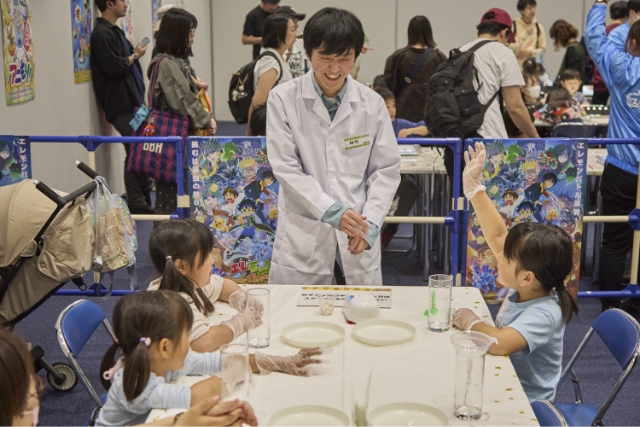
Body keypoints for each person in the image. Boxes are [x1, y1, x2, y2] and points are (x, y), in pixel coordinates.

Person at [266, 7, 401, 285]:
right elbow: (286, 167)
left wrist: (371, 222)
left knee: (359, 311)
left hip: (358, 232)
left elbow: (385, 170)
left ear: (357, 54)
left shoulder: (372, 104)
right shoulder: (283, 99)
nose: (334, 69)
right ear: (308, 53)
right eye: (325, 58)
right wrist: (332, 211)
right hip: (306, 236)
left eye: (344, 59)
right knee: (298, 312)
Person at [454, 142, 579, 402]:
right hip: (503, 380)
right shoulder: (527, 287)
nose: (498, 258)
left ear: (526, 277)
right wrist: (475, 189)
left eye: (505, 259)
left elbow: (499, 343)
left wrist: (471, 322)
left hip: (525, 403)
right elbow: (498, 236)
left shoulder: (545, 313)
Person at [146, 220, 327, 374]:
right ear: (181, 266)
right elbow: (202, 343)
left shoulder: (185, 282)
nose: (212, 260)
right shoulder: (172, 303)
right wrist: (240, 322)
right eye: (206, 256)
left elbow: (223, 285)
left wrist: (241, 299)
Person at [96, 291, 259, 426]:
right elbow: (195, 397)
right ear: (165, 348)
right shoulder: (136, 384)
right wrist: (234, 373)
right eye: (186, 335)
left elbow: (208, 361)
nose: (190, 342)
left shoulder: (161, 359)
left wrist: (258, 361)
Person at [586, 0, 640, 319]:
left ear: (631, 43)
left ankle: (610, 309)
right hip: (626, 168)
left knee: (615, 241)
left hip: (622, 169)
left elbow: (595, 39)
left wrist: (599, 5)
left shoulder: (621, 67)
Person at [443, 8, 540, 184]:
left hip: (457, 142)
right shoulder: (503, 53)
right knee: (490, 200)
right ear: (504, 33)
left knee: (460, 199)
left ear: (478, 32)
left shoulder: (460, 52)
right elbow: (515, 108)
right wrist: (537, 138)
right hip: (488, 143)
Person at [147, 8, 217, 215]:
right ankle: (170, 236)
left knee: (177, 195)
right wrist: (207, 120)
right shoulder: (168, 65)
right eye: (189, 32)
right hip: (172, 139)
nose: (192, 37)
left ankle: (174, 234)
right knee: (173, 198)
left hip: (174, 137)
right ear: (177, 34)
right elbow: (184, 101)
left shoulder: (173, 62)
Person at [91, 0, 154, 214]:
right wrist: (135, 56)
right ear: (109, 3)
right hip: (122, 107)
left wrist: (134, 54)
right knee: (136, 148)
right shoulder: (102, 34)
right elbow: (115, 66)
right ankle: (137, 202)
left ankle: (143, 195)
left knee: (142, 146)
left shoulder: (115, 31)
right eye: (122, 1)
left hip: (137, 104)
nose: (126, 4)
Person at [375, 88, 421, 250]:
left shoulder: (400, 124)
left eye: (393, 105)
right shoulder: (369, 126)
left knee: (411, 187)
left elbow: (426, 128)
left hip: (398, 177)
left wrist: (410, 131)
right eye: (387, 106)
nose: (391, 110)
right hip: (375, 179)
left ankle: (392, 228)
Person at [383, 15, 446, 123]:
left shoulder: (398, 57)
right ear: (429, 32)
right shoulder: (439, 58)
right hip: (431, 117)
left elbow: (388, 88)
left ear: (410, 32)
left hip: (402, 117)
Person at [248, 14, 296, 126]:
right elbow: (257, 102)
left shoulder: (278, 58)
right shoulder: (271, 62)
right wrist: (251, 131)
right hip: (272, 126)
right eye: (292, 30)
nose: (296, 34)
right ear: (279, 36)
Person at [590, 0, 628, 105]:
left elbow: (592, 56)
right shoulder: (627, 33)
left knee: (597, 113)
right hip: (620, 82)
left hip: (600, 80)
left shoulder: (602, 32)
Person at [272, 6, 308, 78]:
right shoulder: (272, 50)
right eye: (294, 22)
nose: (297, 25)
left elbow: (305, 69)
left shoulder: (299, 43)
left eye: (297, 21)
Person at [510, 0, 547, 69]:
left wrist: (530, 52)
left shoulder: (538, 27)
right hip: (515, 68)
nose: (533, 11)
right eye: (529, 8)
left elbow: (543, 50)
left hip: (532, 69)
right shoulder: (513, 26)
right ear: (521, 11)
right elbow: (508, 46)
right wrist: (525, 34)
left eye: (534, 7)